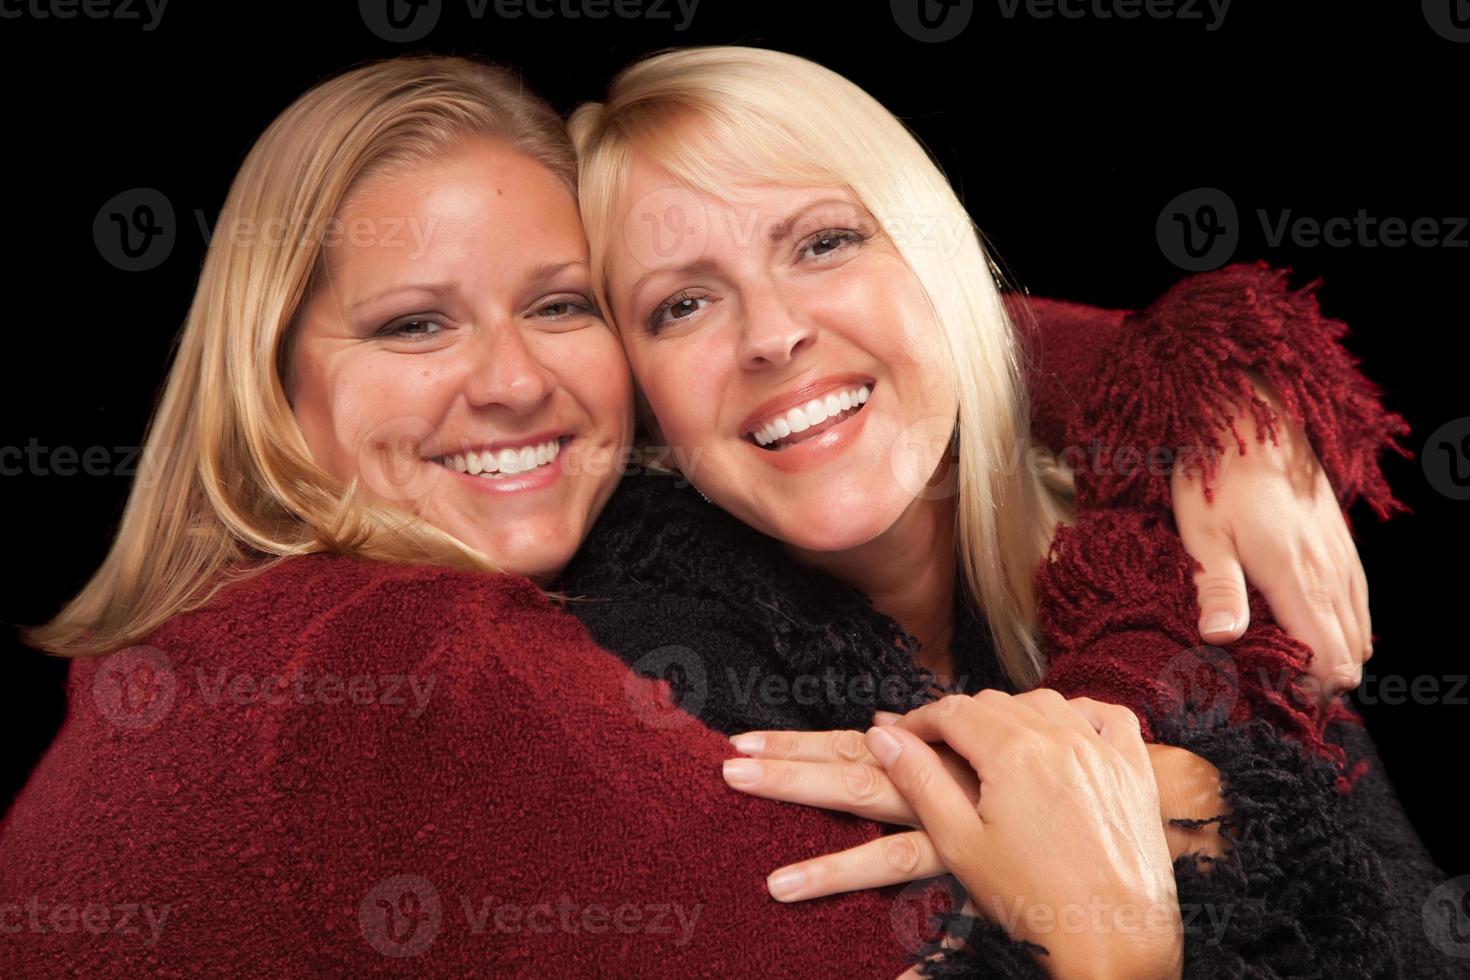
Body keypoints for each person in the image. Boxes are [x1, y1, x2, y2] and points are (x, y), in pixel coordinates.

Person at [560, 44, 1464, 975]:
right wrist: (1182, 817)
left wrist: (1230, 398)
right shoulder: (643, 673)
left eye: (824, 243)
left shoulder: (1188, 548)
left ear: (938, 260)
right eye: (683, 304)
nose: (773, 334)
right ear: (637, 393)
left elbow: (1406, 937)